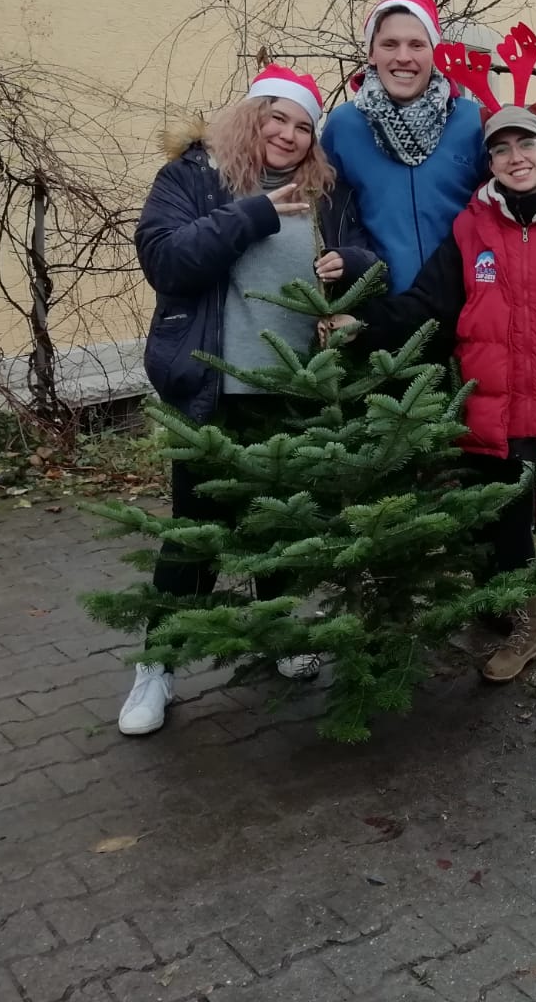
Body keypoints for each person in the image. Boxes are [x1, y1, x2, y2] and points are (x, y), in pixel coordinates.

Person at [323, 105, 536, 718]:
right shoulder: (471, 231)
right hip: (497, 415)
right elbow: (426, 307)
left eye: (526, 144)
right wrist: (360, 325)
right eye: (501, 150)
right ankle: (529, 632)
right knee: (509, 535)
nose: (515, 157)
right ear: (491, 164)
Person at [123, 65, 378, 736]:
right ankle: (159, 667)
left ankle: (280, 635)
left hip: (292, 390)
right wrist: (253, 214)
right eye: (279, 119)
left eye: (303, 126)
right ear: (252, 117)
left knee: (283, 526)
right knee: (193, 537)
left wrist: (348, 268)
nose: (290, 135)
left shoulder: (326, 190)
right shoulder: (196, 177)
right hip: (212, 390)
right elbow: (166, 259)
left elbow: (364, 251)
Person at [320, 0, 487, 295]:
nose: (403, 57)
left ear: (434, 52)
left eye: (417, 45)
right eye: (389, 44)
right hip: (379, 312)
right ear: (371, 54)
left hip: (467, 309)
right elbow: (332, 217)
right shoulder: (343, 126)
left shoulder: (473, 122)